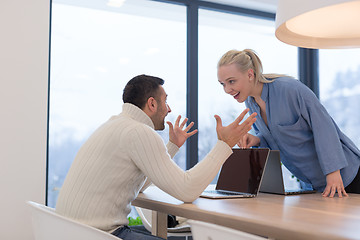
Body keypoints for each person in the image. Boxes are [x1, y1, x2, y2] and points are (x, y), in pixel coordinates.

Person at [55, 74, 257, 240]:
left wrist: (172, 146)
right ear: (152, 104)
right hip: (100, 234)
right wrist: (224, 144)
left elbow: (139, 184)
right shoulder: (139, 132)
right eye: (165, 101)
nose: (169, 109)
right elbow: (187, 190)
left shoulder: (114, 124)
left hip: (69, 231)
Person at [217, 49, 360, 198]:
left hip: (346, 176)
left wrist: (333, 172)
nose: (227, 90)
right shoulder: (250, 102)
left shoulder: (290, 89)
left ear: (250, 74)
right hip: (316, 185)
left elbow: (324, 127)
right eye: (222, 84)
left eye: (231, 81)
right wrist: (257, 139)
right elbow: (276, 138)